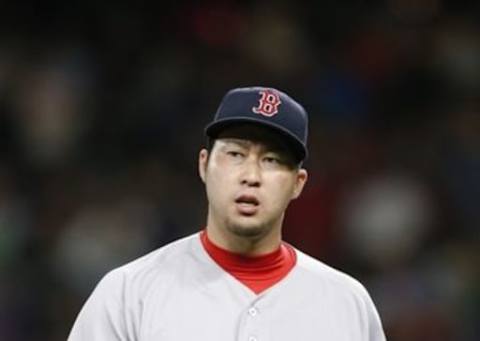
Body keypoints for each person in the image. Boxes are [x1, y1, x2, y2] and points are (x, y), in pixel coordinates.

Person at [68, 86, 386, 341]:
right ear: (204, 164)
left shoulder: (346, 303)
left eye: (272, 160)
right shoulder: (128, 293)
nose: (251, 174)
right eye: (235, 154)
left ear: (297, 183)